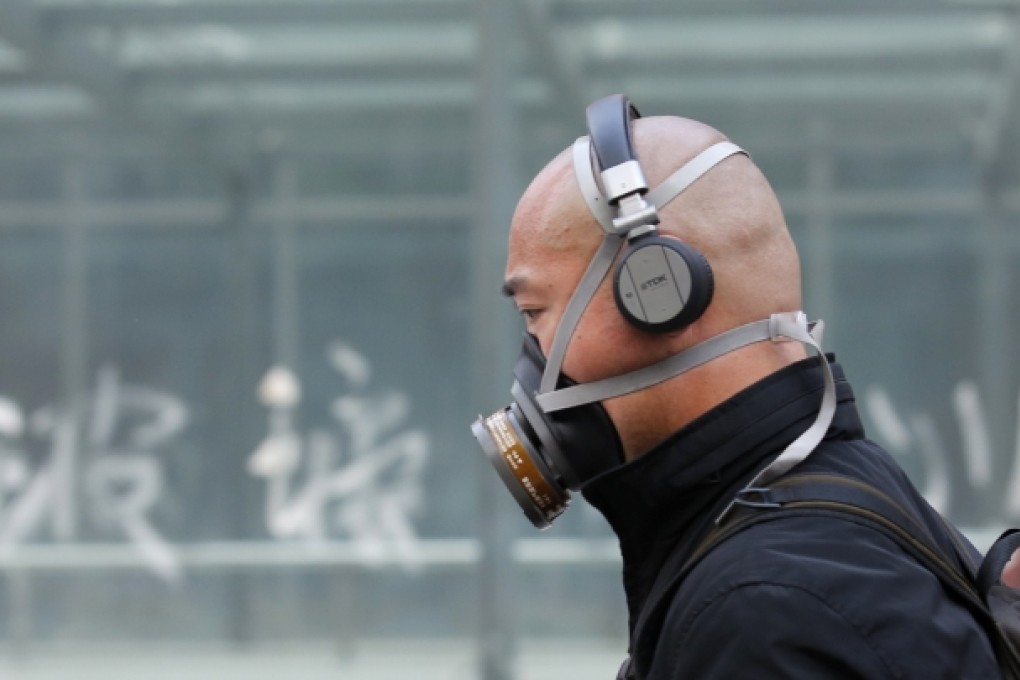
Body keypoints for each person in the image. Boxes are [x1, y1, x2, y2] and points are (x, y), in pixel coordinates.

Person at [490, 102, 1006, 678]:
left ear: (659, 294)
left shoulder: (763, 611)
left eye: (535, 312)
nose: (531, 356)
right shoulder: (825, 500)